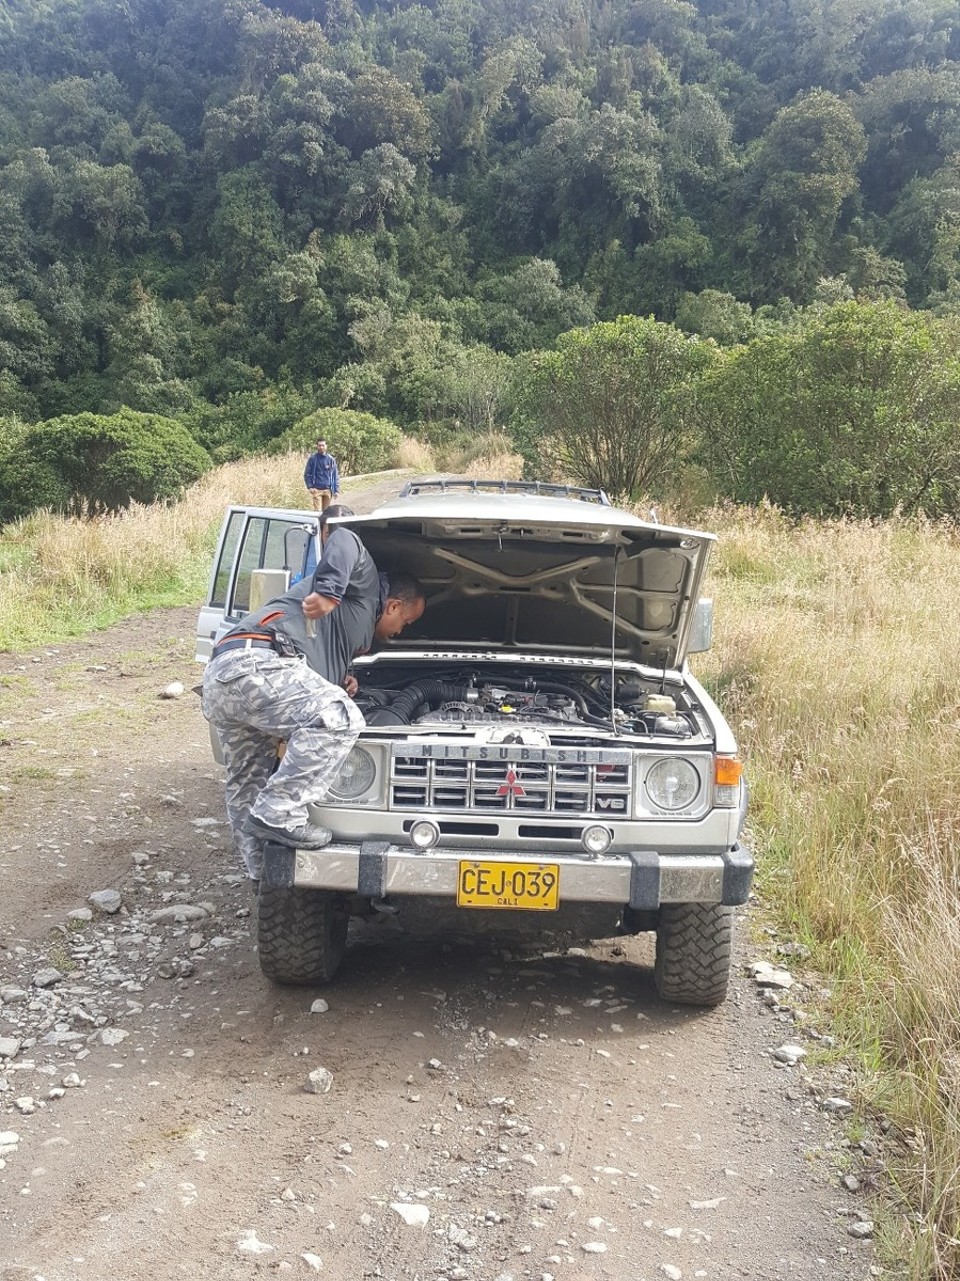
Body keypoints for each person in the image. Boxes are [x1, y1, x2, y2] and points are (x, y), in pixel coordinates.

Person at [201, 510, 425, 883]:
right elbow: (345, 539)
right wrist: (328, 591)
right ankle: (279, 813)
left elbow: (311, 674)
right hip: (256, 662)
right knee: (342, 716)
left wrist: (340, 681)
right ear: (394, 605)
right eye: (406, 622)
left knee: (246, 782)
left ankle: (263, 877)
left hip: (223, 676)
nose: (402, 631)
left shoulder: (345, 637)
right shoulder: (366, 587)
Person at [304, 438, 340, 511]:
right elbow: (307, 474)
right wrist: (310, 487)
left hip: (328, 490)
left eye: (323, 445)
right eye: (319, 445)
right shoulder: (313, 459)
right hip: (316, 490)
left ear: (326, 446)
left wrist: (336, 490)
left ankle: (325, 523)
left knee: (326, 514)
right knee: (318, 513)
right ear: (317, 446)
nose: (321, 447)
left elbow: (335, 476)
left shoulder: (331, 460)